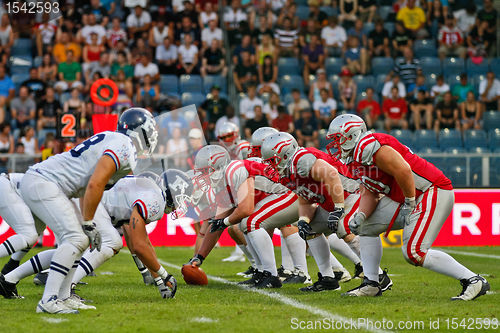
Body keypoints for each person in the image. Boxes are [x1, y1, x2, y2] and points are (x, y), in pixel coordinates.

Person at [326, 114, 489, 300]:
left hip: (429, 190)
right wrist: (361, 215)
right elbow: (370, 191)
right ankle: (372, 283)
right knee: (364, 227)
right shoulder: (356, 157)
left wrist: (409, 202)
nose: (335, 145)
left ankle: (473, 280)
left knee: (414, 252)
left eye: (338, 139)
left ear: (352, 135)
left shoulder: (368, 145)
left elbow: (403, 170)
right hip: (407, 197)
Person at [15, 108, 160, 313]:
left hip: (51, 184)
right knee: (75, 238)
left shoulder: (116, 141)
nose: (153, 135)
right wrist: (88, 221)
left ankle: (63, 296)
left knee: (81, 240)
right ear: (138, 130)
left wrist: (87, 221)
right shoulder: (123, 146)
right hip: (45, 182)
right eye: (150, 130)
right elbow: (95, 184)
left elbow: (86, 185)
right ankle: (48, 300)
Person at [261, 132, 380, 291]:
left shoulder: (301, 160)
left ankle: (378, 276)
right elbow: (305, 198)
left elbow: (332, 176)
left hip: (352, 195)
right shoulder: (287, 172)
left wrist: (338, 208)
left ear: (285, 154)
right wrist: (304, 219)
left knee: (344, 227)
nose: (271, 166)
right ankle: (328, 279)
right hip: (331, 203)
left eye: (272, 161)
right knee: (310, 229)